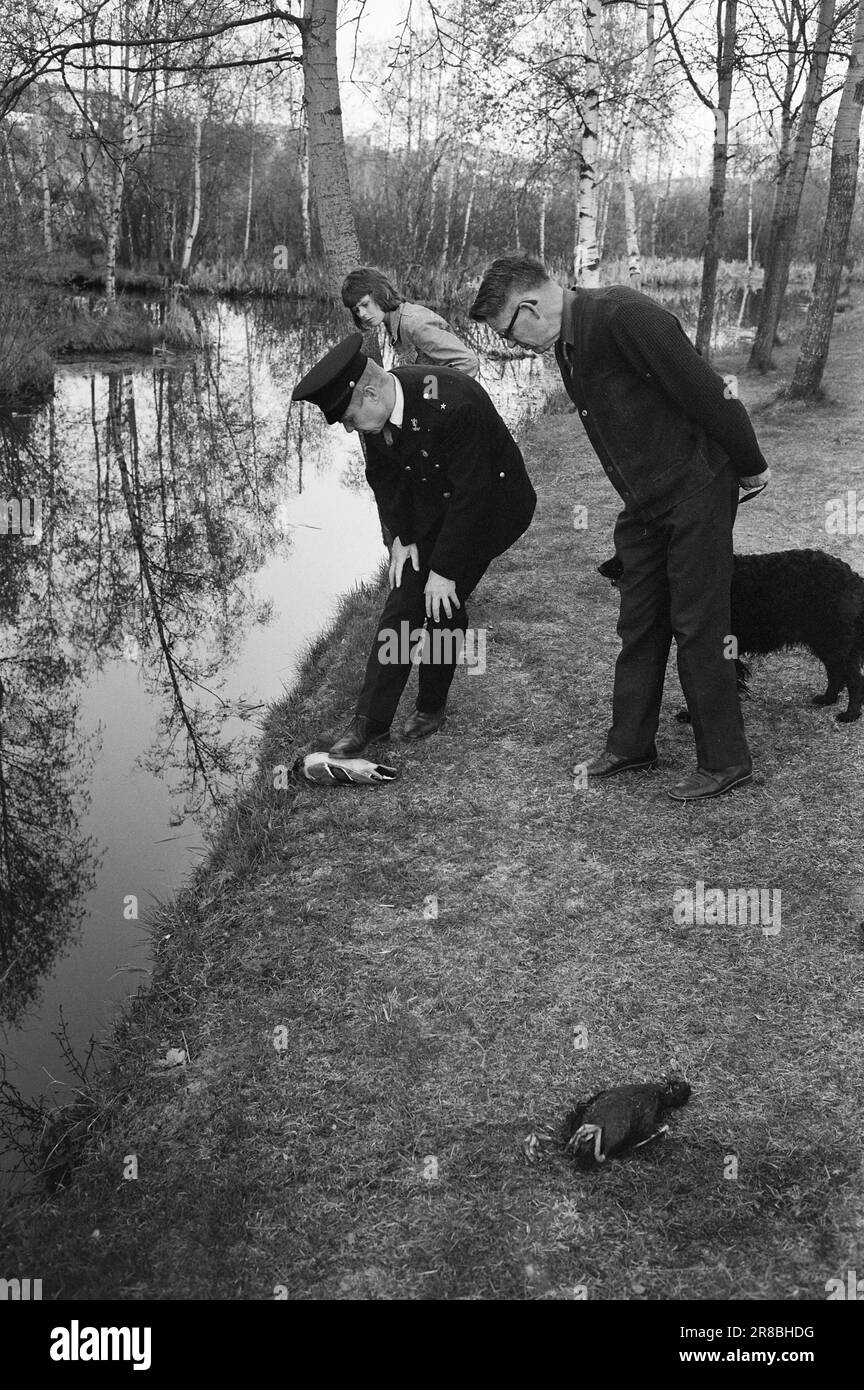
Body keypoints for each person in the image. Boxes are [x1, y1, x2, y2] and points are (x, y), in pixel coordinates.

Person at [469, 254, 772, 802]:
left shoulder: (627, 317)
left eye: (510, 331)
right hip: (645, 503)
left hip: (697, 488)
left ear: (530, 306)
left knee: (698, 624)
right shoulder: (566, 342)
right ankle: (632, 743)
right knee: (640, 620)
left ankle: (726, 760)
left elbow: (706, 391)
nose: (515, 344)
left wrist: (749, 462)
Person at [291, 333, 536, 755]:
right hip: (435, 502)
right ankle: (371, 723)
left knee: (441, 599)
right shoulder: (374, 413)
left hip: (493, 506)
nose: (349, 427)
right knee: (404, 601)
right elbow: (384, 479)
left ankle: (430, 707)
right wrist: (401, 538)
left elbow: (473, 494)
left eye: (349, 417)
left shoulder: (453, 403)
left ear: (370, 391)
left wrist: (445, 571)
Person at [342, 267, 480, 378]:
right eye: (356, 310)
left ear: (380, 293)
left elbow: (468, 362)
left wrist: (442, 401)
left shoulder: (413, 323)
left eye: (365, 304)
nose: (362, 314)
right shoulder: (393, 322)